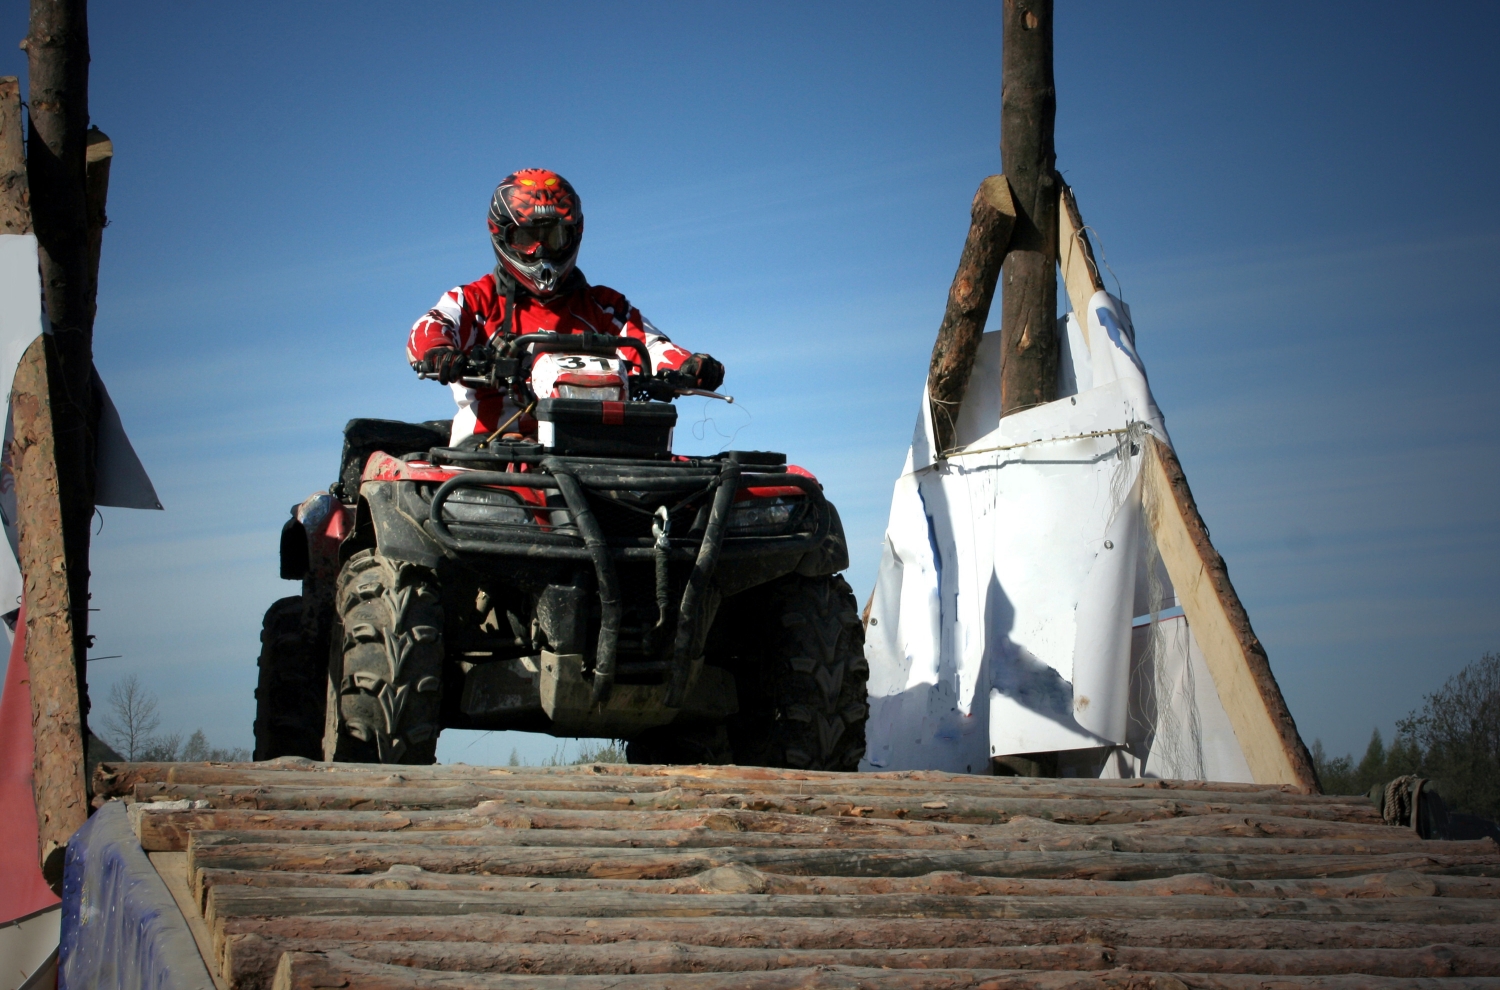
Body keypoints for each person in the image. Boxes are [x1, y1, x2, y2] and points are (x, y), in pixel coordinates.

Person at [406, 168, 724, 444]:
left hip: (596, 447)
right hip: (488, 451)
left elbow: (651, 347)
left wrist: (690, 365)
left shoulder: (605, 306)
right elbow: (432, 325)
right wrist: (438, 351)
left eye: (555, 236)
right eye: (527, 237)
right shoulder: (475, 300)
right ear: (501, 235)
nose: (541, 250)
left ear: (575, 235)